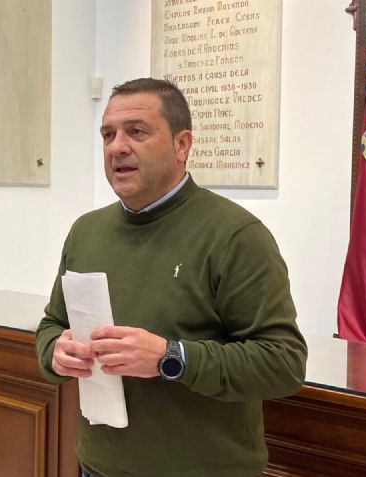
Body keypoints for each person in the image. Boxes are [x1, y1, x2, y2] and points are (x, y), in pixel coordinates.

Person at [35, 78, 307, 477]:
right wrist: (55, 353)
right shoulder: (86, 232)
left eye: (136, 132)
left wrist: (170, 357)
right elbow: (52, 324)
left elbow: (282, 363)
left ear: (182, 145)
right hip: (99, 467)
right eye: (108, 135)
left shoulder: (236, 236)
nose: (117, 147)